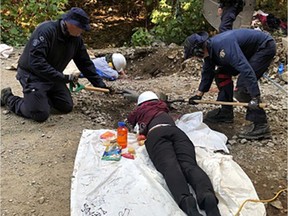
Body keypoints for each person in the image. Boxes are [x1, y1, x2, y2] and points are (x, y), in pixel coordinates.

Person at [0, 7, 107, 123]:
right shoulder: (46, 31)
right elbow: (36, 62)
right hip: (33, 75)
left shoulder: (76, 39)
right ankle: (8, 98)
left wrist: (101, 85)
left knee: (66, 106)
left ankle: (39, 99)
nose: (82, 32)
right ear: (71, 24)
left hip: (52, 76)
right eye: (81, 28)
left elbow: (85, 63)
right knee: (40, 114)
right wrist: (63, 78)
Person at [127, 91, 221, 216]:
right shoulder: (162, 107)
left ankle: (188, 204)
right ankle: (207, 196)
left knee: (171, 167)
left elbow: (135, 126)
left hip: (156, 134)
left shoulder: (140, 111)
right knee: (189, 165)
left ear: (140, 104)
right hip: (177, 132)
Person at [184, 29, 276, 139]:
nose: (194, 58)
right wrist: (199, 94)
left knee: (242, 89)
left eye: (192, 55)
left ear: (198, 50)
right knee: (221, 74)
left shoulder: (224, 48)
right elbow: (207, 72)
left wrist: (255, 96)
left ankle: (260, 125)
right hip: (248, 50)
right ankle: (226, 112)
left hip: (264, 47)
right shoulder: (210, 51)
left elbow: (245, 69)